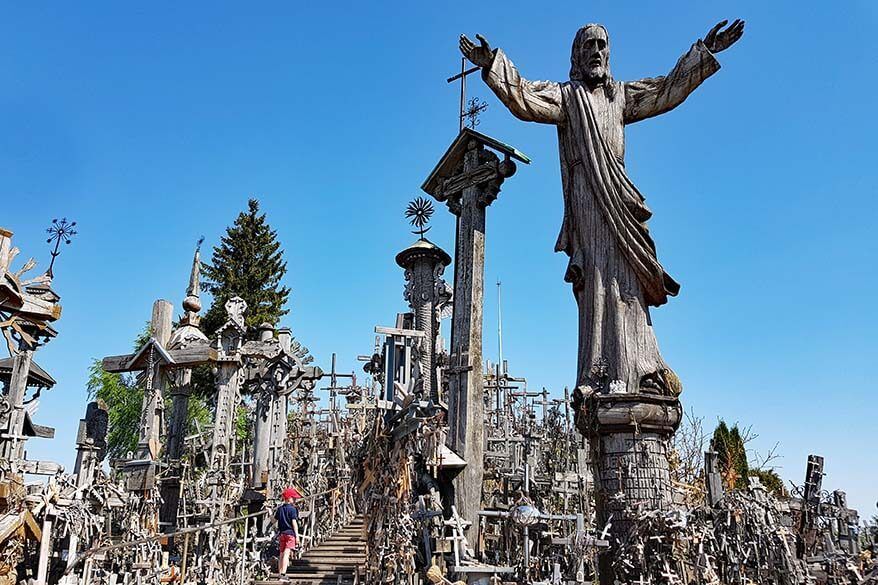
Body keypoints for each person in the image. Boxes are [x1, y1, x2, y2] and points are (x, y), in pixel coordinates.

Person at [275, 487, 301, 574]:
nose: (294, 499)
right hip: (290, 534)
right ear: (289, 498)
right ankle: (283, 574)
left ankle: (280, 573)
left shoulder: (280, 509)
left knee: (281, 554)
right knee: (286, 554)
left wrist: (270, 512)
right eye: (293, 498)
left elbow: (273, 521)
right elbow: (294, 523)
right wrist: (297, 536)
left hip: (282, 534)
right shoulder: (293, 509)